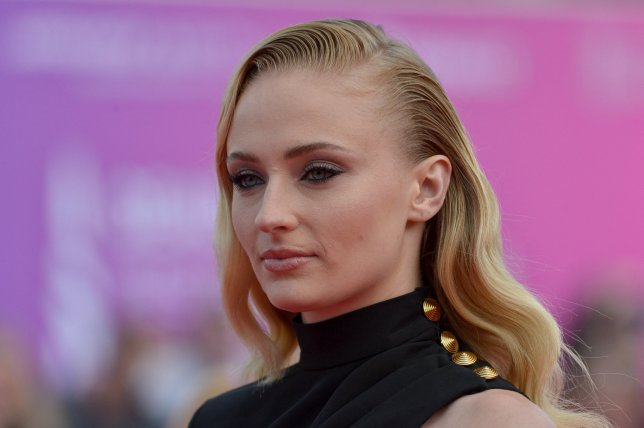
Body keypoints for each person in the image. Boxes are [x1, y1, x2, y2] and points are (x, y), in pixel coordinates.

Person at [189, 19, 609, 427]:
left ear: (426, 188)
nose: (269, 215)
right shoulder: (218, 417)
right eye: (247, 179)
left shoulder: (485, 421)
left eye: (319, 172)